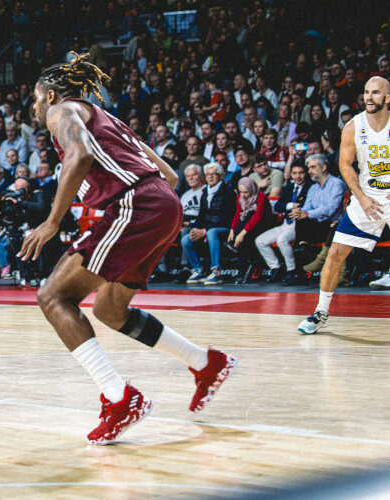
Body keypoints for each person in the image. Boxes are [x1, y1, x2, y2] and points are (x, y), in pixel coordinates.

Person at [17, 57, 237, 445]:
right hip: (164, 205)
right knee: (108, 310)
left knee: (53, 296)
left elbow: (81, 156)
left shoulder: (61, 110)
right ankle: (206, 363)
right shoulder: (104, 117)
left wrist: (52, 222)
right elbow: (169, 175)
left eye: (35, 99)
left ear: (49, 95)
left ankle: (120, 399)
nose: (35, 107)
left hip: (137, 206)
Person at [299, 77, 390, 334]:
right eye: (366, 92)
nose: (370, 97)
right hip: (367, 197)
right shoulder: (353, 126)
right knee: (335, 254)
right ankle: (321, 312)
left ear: (388, 98)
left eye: (376, 93)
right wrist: (361, 196)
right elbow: (345, 165)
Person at [255, 162, 311, 284]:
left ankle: (291, 270)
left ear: (305, 173)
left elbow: (309, 205)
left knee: (282, 240)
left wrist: (299, 207)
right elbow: (279, 206)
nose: (298, 176)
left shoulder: (310, 187)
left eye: (301, 173)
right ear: (290, 174)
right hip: (286, 223)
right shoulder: (288, 188)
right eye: (295, 173)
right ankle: (276, 268)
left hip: (299, 225)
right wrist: (290, 205)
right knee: (260, 240)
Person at [182, 163, 236, 285]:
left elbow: (226, 218)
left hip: (225, 228)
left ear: (221, 176)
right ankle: (198, 270)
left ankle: (216, 271)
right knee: (186, 239)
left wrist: (205, 231)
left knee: (212, 233)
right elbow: (201, 215)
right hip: (209, 228)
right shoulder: (205, 192)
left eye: (214, 174)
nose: (210, 177)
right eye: (208, 174)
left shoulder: (228, 192)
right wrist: (195, 228)